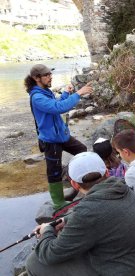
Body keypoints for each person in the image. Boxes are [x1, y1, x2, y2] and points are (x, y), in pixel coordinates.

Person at [25, 152, 135, 276]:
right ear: (106, 172)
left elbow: (50, 254)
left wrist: (47, 231)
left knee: (34, 262)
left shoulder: (87, 212)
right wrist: (65, 221)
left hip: (126, 271)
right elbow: (102, 214)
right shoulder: (122, 186)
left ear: (74, 184)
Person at [24, 64, 93, 210]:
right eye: (46, 75)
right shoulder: (37, 97)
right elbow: (58, 108)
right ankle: (58, 202)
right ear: (37, 78)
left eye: (50, 74)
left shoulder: (45, 91)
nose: (50, 77)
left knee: (82, 150)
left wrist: (66, 94)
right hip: (50, 140)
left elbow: (55, 104)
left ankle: (77, 184)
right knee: (54, 172)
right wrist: (78, 93)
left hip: (61, 135)